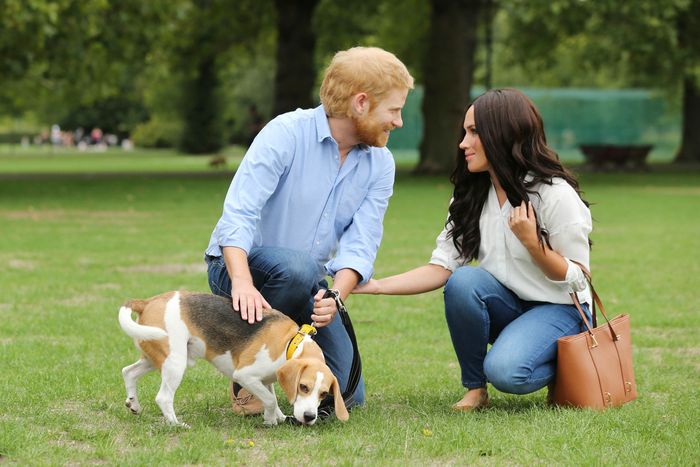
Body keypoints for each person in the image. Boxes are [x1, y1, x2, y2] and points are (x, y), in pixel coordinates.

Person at [205, 46, 414, 417]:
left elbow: (361, 243)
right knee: (298, 268)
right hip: (238, 272)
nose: (398, 121)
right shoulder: (286, 133)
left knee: (346, 395)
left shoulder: (380, 164)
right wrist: (241, 282)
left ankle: (287, 373)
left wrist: (335, 295)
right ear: (361, 103)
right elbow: (238, 215)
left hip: (309, 283)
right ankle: (249, 377)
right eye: (394, 110)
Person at [353, 88, 592, 411]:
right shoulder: (472, 196)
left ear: (503, 134)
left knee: (507, 373)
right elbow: (441, 268)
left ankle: (566, 361)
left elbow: (578, 279)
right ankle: (475, 388)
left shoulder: (554, 195)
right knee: (464, 281)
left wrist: (533, 244)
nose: (463, 143)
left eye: (474, 132)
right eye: (465, 132)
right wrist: (376, 286)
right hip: (509, 304)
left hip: (560, 309)